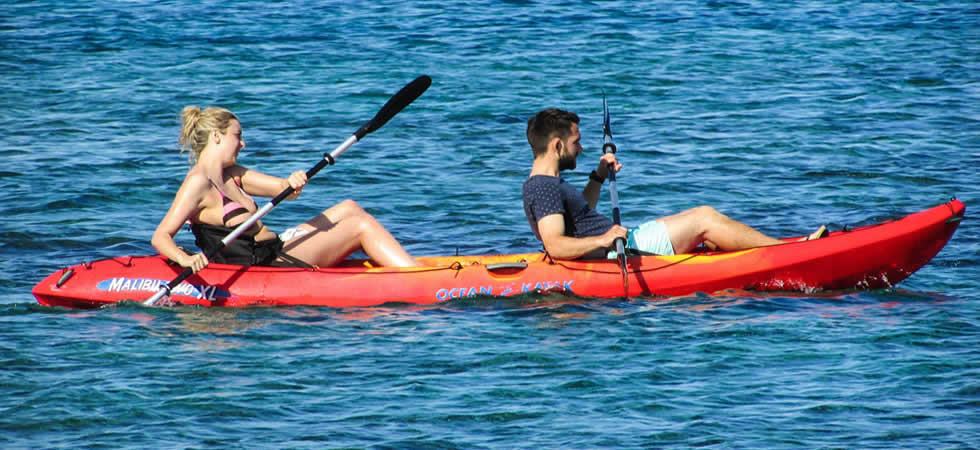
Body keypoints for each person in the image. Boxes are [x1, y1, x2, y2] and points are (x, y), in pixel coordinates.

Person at [521, 108, 827, 260]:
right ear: (558, 145)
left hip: (623, 241)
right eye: (577, 142)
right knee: (704, 218)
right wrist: (603, 240)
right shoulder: (545, 186)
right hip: (620, 251)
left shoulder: (543, 183)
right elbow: (556, 244)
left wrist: (598, 176)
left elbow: (581, 216)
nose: (582, 148)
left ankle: (768, 251)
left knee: (705, 226)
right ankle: (790, 255)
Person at [152, 106, 421, 272]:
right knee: (360, 225)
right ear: (216, 136)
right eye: (238, 135)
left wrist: (293, 182)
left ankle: (406, 265)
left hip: (276, 247)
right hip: (265, 266)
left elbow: (284, 189)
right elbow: (161, 236)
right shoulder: (198, 182)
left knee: (350, 207)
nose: (243, 144)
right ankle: (417, 277)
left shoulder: (233, 174)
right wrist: (185, 259)